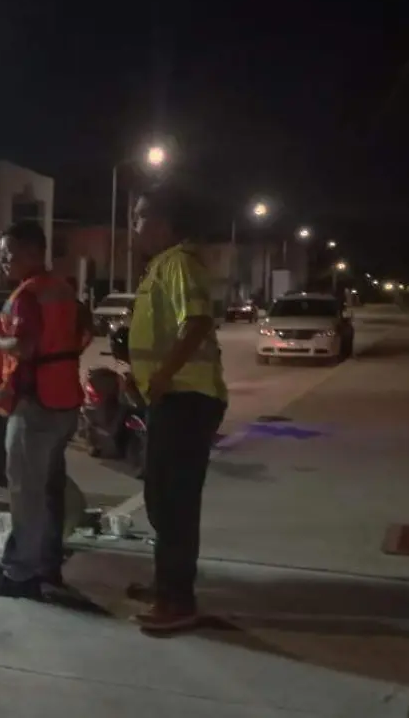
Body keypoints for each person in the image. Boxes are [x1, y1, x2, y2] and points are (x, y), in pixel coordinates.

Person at [125, 182, 228, 633]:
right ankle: (165, 584)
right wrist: (143, 377)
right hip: (169, 398)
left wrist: (164, 375)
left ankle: (178, 601)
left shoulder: (180, 262)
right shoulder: (160, 266)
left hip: (187, 399)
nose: (134, 225)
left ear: (164, 223)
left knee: (176, 503)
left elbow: (197, 321)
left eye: (140, 216)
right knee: (160, 498)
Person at [0, 220, 93, 598]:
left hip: (35, 405)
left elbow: (23, 348)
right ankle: (47, 564)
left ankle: (20, 574)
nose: (3, 261)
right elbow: (83, 334)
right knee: (49, 489)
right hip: (64, 401)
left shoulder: (28, 295)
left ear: (32, 252)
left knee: (26, 493)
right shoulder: (63, 290)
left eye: (8, 254)